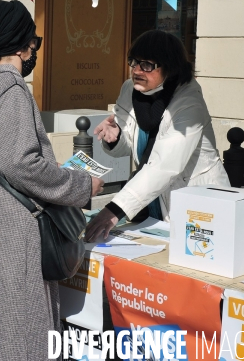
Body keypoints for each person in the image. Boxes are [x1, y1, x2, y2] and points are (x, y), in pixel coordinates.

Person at [0, 0, 104, 360]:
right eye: (33, 40)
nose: (34, 48)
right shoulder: (8, 89)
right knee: (19, 335)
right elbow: (23, 164)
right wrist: (82, 185)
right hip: (12, 235)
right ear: (20, 45)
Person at [86, 30, 230, 242]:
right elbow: (136, 148)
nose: (136, 70)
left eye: (147, 65)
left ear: (170, 67)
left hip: (197, 203)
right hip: (152, 202)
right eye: (133, 62)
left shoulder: (189, 102)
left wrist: (115, 210)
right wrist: (116, 138)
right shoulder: (130, 90)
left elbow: (165, 164)